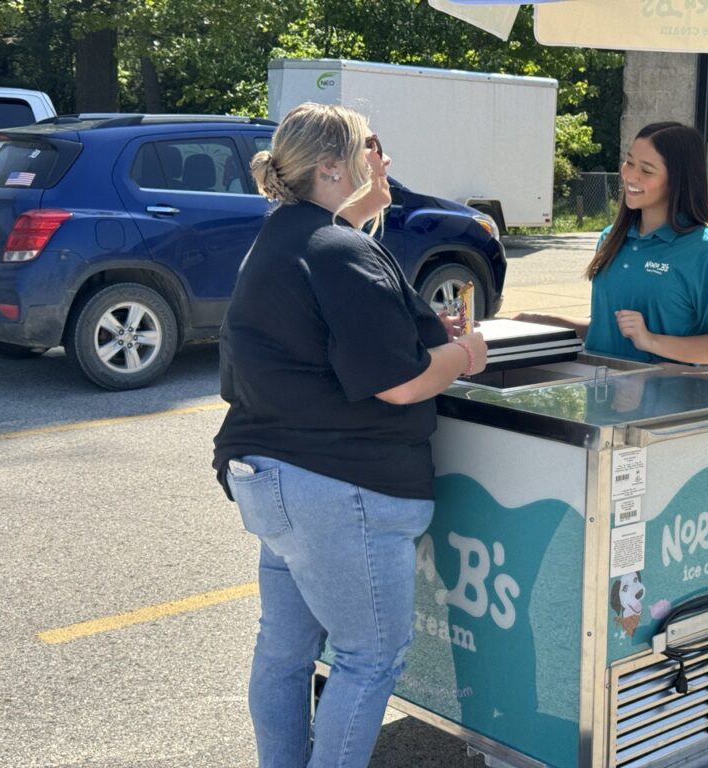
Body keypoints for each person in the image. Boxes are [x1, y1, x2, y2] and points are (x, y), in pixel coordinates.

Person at [212, 102, 487, 768]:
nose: (383, 160)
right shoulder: (340, 249)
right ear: (334, 166)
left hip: (272, 478)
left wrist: (425, 340)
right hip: (340, 488)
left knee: (284, 653)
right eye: (373, 148)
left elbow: (331, 334)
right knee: (369, 659)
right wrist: (464, 354)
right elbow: (400, 383)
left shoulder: (285, 235)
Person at [516, 121, 708, 365]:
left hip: (667, 400)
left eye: (646, 170)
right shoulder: (611, 238)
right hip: (601, 395)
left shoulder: (705, 249)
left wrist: (651, 341)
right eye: (629, 162)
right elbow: (607, 329)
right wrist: (539, 321)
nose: (630, 175)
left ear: (678, 180)